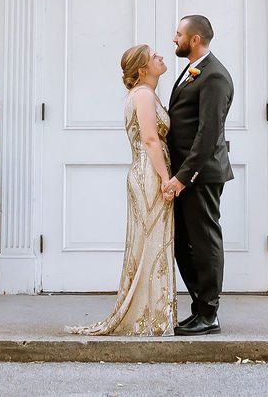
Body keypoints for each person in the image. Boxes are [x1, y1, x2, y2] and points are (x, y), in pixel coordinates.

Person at [69, 43, 177, 336]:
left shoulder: (148, 93)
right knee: (151, 242)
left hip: (149, 172)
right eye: (154, 56)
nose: (161, 57)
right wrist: (167, 179)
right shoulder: (142, 95)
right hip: (149, 174)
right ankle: (147, 317)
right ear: (143, 70)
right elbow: (151, 140)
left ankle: (155, 314)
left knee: (154, 242)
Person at [163, 13, 233, 335]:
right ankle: (200, 307)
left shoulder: (214, 77)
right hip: (184, 173)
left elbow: (207, 135)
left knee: (204, 241)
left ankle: (209, 313)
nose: (174, 39)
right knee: (181, 244)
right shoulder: (193, 72)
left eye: (178, 34)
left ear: (194, 40)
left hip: (201, 176)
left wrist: (182, 177)